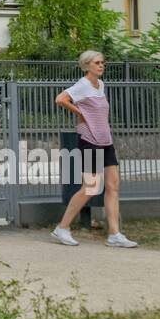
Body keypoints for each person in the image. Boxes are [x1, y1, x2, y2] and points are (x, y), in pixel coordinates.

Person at [51, 50, 137, 248]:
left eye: (103, 62)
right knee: (90, 187)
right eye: (97, 63)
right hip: (89, 140)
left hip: (105, 140)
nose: (101, 66)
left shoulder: (101, 85)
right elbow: (60, 99)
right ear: (87, 65)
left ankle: (114, 234)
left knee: (113, 185)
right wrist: (81, 112)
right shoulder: (82, 85)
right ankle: (62, 228)